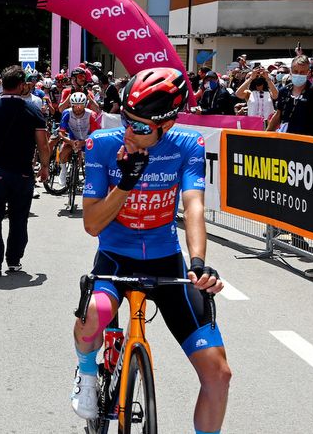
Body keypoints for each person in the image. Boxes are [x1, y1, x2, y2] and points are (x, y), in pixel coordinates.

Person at [70, 67, 229, 433]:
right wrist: (126, 182)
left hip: (166, 261)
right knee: (96, 310)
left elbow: (193, 207)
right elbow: (92, 224)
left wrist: (200, 263)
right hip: (114, 257)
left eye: (141, 126)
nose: (130, 130)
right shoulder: (103, 144)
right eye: (127, 119)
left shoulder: (188, 145)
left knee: (219, 374)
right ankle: (88, 369)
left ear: (167, 123)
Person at [0, 65, 50, 276]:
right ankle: (14, 261)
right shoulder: (33, 110)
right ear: (22, 85)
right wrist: (45, 167)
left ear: (2, 84)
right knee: (19, 218)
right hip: (23, 172)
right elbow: (43, 144)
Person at [266, 56, 313, 137]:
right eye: (295, 71)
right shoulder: (283, 91)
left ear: (308, 73)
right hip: (287, 140)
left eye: (302, 72)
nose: (298, 74)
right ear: (291, 71)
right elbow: (278, 114)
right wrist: (266, 135)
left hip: (310, 142)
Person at [54, 91, 100, 190]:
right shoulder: (67, 113)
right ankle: (63, 170)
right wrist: (70, 142)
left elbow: (96, 135)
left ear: (85, 105)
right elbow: (61, 133)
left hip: (87, 139)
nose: (78, 108)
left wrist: (83, 143)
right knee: (62, 152)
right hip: (72, 138)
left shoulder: (91, 114)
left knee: (92, 158)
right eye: (75, 105)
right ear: (71, 105)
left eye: (81, 105)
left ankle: (89, 177)